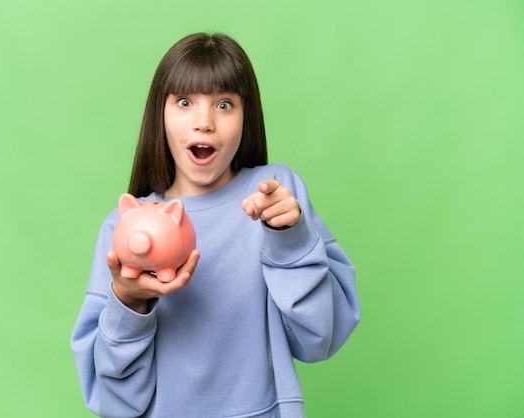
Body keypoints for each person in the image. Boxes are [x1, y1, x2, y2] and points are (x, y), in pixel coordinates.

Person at [71, 32, 360, 418]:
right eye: (185, 102)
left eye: (224, 104)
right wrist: (129, 303)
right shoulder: (123, 226)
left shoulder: (275, 196)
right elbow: (115, 403)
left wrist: (289, 241)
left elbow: (320, 338)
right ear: (160, 113)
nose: (203, 122)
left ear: (247, 118)